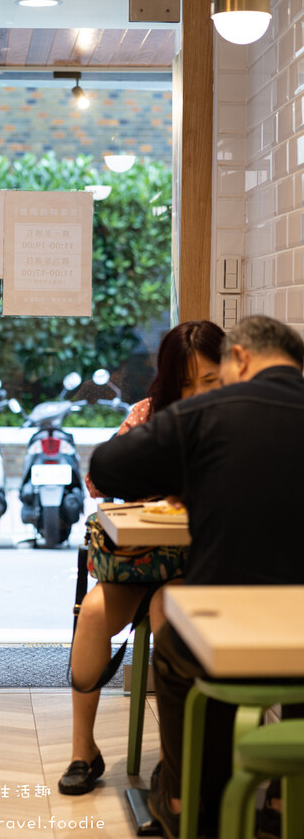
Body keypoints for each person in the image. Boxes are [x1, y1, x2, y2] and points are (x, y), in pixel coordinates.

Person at [86, 315, 304, 838]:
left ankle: (185, 799)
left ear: (242, 360)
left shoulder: (207, 413)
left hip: (229, 619)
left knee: (181, 649)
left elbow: (108, 467)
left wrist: (190, 472)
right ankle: (282, 802)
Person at [58, 320, 225, 796]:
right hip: (142, 559)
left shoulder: (234, 420)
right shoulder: (150, 414)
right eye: (185, 383)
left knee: (165, 611)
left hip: (197, 569)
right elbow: (97, 480)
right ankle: (82, 750)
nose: (196, 394)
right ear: (168, 382)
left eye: (208, 381)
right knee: (91, 615)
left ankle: (177, 761)